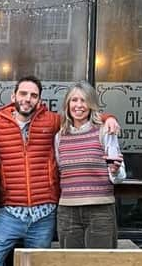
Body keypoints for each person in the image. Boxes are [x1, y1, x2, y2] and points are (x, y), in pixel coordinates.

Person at [0, 76, 120, 266]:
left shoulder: (51, 121)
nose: (27, 99)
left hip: (44, 215)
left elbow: (78, 117)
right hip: (10, 213)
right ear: (13, 96)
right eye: (23, 93)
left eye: (33, 95)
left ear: (39, 100)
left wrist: (109, 118)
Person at [54, 81, 126, 248]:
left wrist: (115, 170)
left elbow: (119, 176)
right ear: (67, 104)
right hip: (68, 211)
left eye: (84, 100)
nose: (79, 105)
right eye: (74, 100)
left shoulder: (104, 131)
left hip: (100, 210)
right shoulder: (59, 137)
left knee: (100, 261)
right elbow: (60, 170)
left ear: (91, 104)